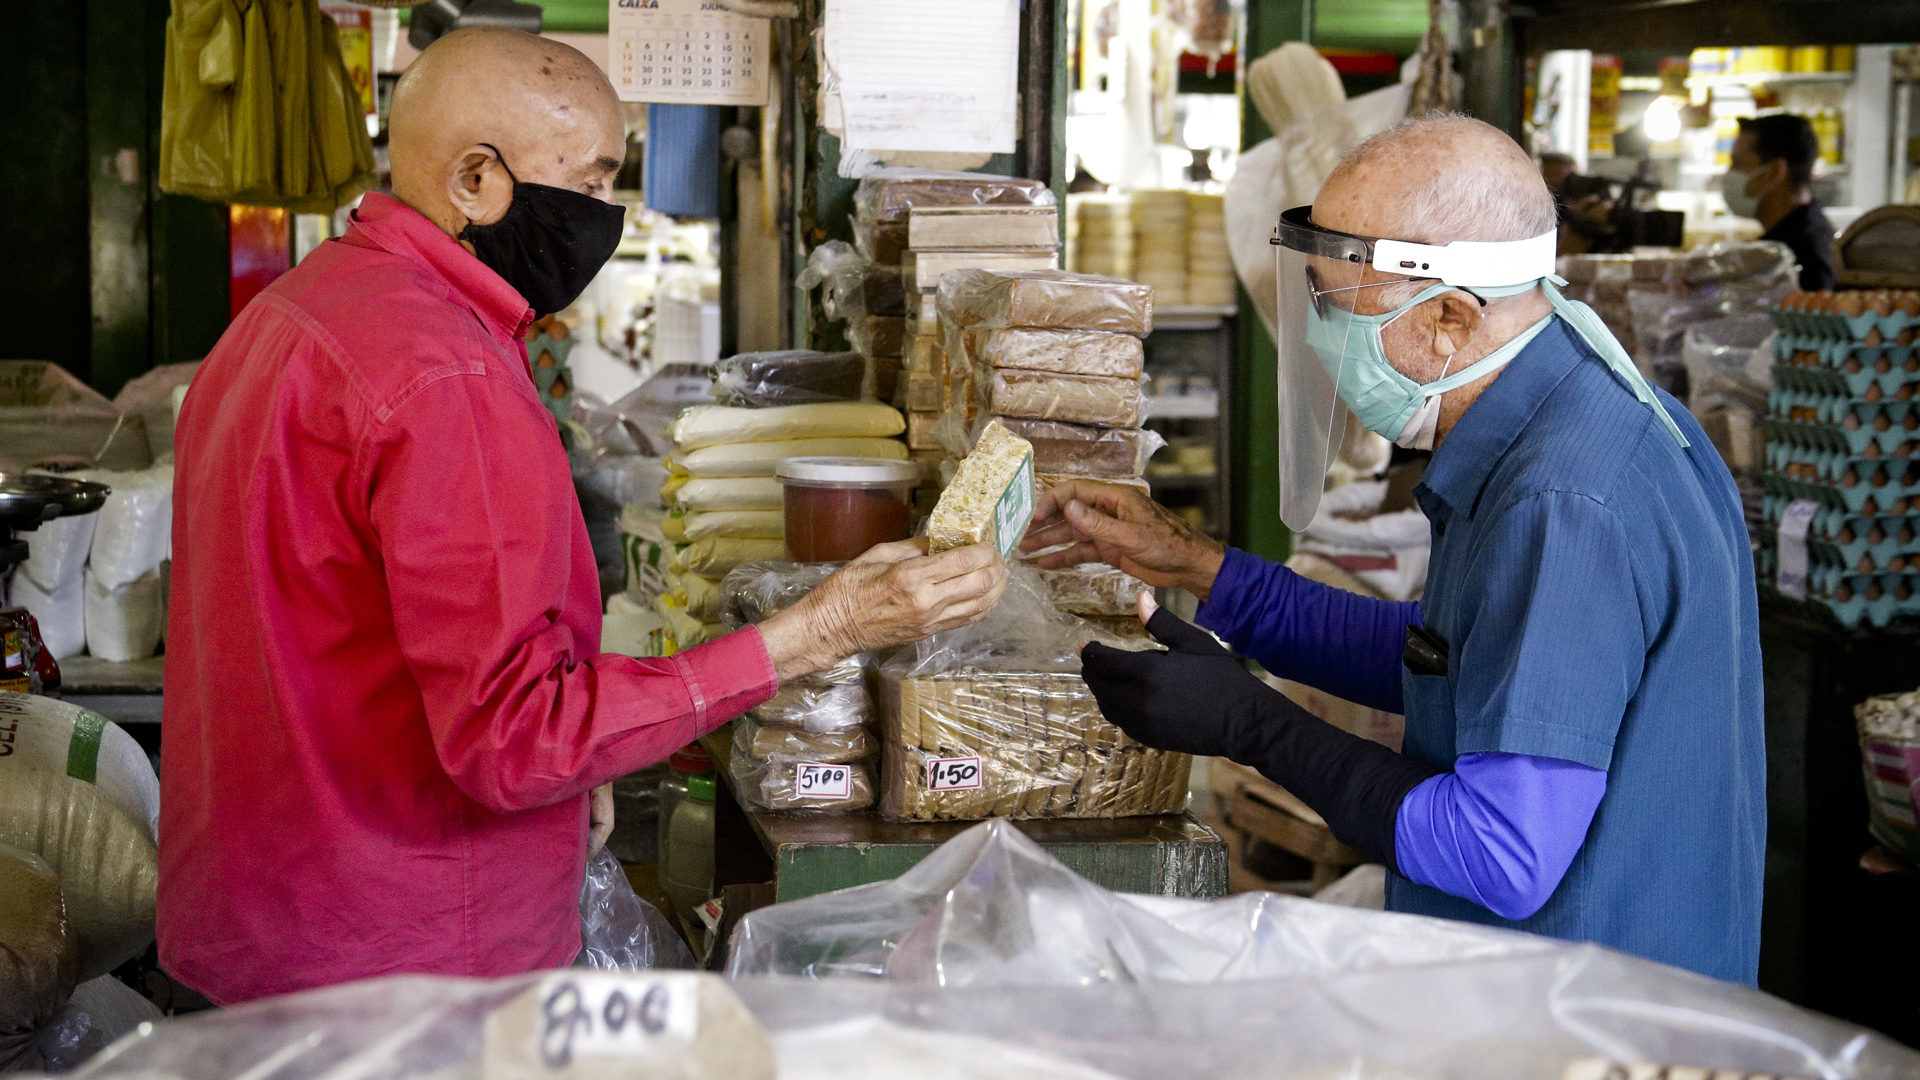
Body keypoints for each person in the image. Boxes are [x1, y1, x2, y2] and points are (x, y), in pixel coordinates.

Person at [159, 28, 1008, 1005]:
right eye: (594, 183)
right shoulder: (448, 376)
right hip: (400, 971)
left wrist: (591, 760)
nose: (606, 215)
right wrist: (826, 626)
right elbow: (516, 740)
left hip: (247, 925)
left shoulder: (286, 316)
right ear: (477, 180)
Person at [1028, 115, 1764, 984]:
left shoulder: (1562, 501)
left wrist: (1249, 723)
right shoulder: (1583, 399)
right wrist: (1195, 563)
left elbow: (1501, 854)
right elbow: (1462, 668)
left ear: (1451, 315)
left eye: (1339, 308)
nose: (1322, 339)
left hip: (1580, 1012)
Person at [1726, 114, 1836, 290]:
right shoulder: (1784, 239)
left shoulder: (1803, 254)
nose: (1729, 173)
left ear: (1775, 171)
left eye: (1738, 163)